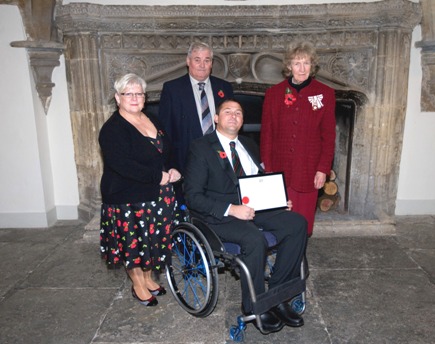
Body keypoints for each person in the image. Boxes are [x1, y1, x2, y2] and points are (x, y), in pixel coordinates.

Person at [184, 99, 308, 334]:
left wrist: (277, 200)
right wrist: (231, 208)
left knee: (297, 223)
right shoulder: (201, 147)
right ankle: (256, 306)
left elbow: (257, 179)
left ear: (243, 120)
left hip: (254, 208)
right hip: (218, 215)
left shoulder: (248, 144)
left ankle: (278, 296)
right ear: (217, 119)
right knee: (253, 239)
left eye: (238, 112)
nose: (233, 116)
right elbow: (193, 196)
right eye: (227, 112)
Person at [99, 73, 181, 307]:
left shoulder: (152, 118)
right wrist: (159, 177)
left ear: (144, 97)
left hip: (156, 195)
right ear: (118, 98)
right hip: (127, 198)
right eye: (128, 93)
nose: (134, 98)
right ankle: (137, 284)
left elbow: (168, 149)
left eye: (139, 93)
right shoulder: (112, 129)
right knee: (133, 243)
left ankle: (148, 278)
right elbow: (122, 165)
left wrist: (173, 168)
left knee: (151, 241)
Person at [260, 40, 336, 237]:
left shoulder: (325, 94)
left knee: (303, 223)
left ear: (312, 65)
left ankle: (299, 261)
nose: (302, 69)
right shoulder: (274, 94)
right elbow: (267, 134)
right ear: (288, 66)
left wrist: (322, 169)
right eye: (297, 63)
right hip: (279, 169)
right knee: (280, 222)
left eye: (306, 63)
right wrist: (267, 168)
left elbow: (328, 136)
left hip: (309, 170)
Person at [159, 41, 234, 173]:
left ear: (211, 63)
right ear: (188, 61)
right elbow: (166, 131)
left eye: (207, 60)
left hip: (222, 162)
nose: (202, 65)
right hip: (186, 163)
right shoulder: (172, 89)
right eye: (197, 60)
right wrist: (170, 166)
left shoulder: (224, 88)